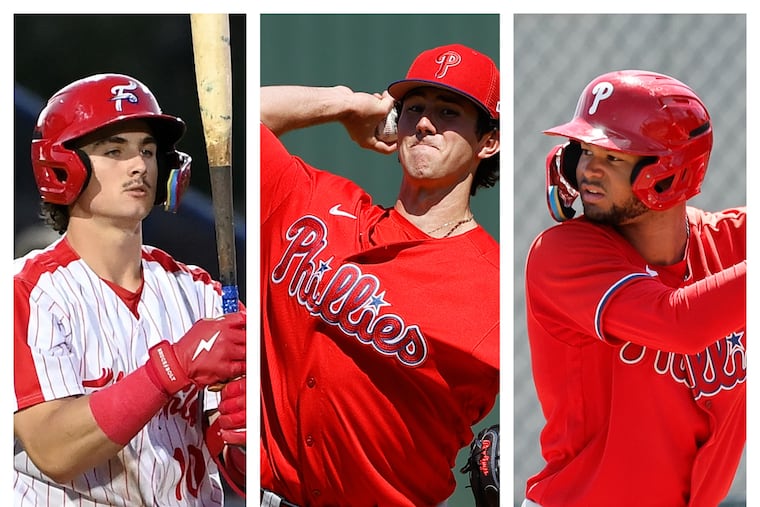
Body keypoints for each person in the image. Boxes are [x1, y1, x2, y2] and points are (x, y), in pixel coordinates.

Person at [259, 43, 500, 506]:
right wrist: (347, 103)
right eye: (414, 109)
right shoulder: (313, 202)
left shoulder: (494, 286)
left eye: (449, 111)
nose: (426, 123)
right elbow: (238, 121)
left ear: (488, 141)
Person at [13, 73, 247, 505]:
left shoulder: (202, 294)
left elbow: (243, 473)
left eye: (148, 150)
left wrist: (247, 435)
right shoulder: (28, 290)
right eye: (114, 150)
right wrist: (172, 367)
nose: (139, 165)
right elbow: (53, 448)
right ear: (62, 166)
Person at [523, 70, 746, 507]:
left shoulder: (732, 242)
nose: (587, 169)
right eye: (584, 150)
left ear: (671, 172)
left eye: (613, 156)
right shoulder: (562, 253)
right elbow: (679, 322)